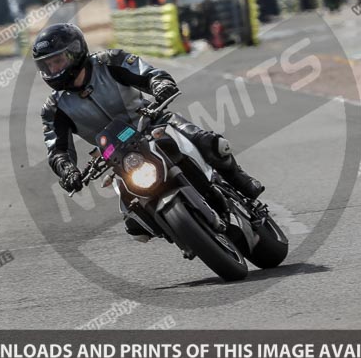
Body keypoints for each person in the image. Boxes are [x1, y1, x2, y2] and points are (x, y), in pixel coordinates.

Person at [34, 23, 264, 241]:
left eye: (58, 61)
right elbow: (57, 150)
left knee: (210, 144)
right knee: (135, 226)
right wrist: (68, 171)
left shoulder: (109, 62)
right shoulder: (54, 109)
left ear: (75, 52)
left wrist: (161, 85)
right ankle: (180, 231)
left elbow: (149, 74)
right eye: (47, 65)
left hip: (152, 122)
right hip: (116, 154)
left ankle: (241, 180)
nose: (54, 69)